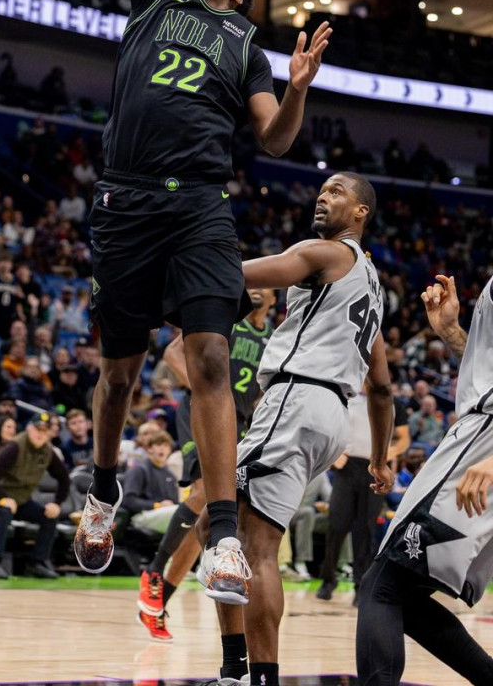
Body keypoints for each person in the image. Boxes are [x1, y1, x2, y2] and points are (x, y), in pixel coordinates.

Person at [74, 0, 331, 604]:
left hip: (198, 208)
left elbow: (275, 140)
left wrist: (297, 89)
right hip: (126, 200)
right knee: (118, 373)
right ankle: (102, 488)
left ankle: (221, 535)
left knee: (212, 356)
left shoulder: (248, 47)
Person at [219, 172, 395, 686]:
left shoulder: (325, 254)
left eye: (337, 191)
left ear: (360, 212)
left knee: (251, 543)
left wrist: (181, 261)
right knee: (220, 524)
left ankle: (253, 677)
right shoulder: (371, 285)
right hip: (332, 417)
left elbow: (237, 273)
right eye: (322, 190)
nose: (323, 196)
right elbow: (382, 388)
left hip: (296, 399)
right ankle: (236, 670)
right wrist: (380, 458)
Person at [356, 274, 493, 686]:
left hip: (483, 447)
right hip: (478, 441)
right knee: (405, 595)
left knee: (383, 585)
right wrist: (452, 333)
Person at [137, 288, 277, 650]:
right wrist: (204, 388)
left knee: (206, 521)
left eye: (265, 287)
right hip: (201, 409)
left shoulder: (272, 337)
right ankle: (153, 571)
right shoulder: (228, 318)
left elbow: (263, 389)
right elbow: (172, 353)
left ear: (275, 298)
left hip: (238, 422)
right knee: (202, 492)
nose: (256, 289)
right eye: (252, 283)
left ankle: (158, 603)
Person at [315, 380, 409, 604]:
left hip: (374, 469)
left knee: (365, 529)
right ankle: (328, 580)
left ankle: (360, 586)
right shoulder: (347, 399)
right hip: (347, 467)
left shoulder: (394, 404)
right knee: (337, 525)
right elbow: (330, 427)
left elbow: (404, 439)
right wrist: (335, 454)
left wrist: (386, 454)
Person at [0, 412, 70, 579]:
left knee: (49, 517)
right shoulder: (15, 446)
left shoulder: (48, 452)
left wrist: (57, 503)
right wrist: (2, 498)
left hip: (20, 501)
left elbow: (64, 478)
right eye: (37, 429)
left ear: (49, 433)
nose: (40, 434)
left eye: (44, 430)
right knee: (4, 511)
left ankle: (37, 563)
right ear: (29, 428)